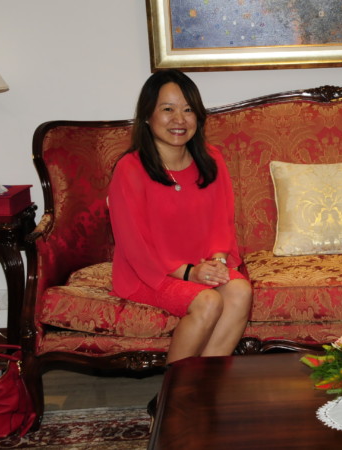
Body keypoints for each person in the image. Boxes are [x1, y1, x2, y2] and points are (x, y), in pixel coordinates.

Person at [108, 70, 253, 418]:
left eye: (188, 110)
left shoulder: (211, 159)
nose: (179, 120)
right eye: (168, 109)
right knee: (206, 302)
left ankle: (202, 387)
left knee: (240, 291)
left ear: (198, 117)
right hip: (148, 273)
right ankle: (171, 401)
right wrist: (189, 272)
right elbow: (134, 244)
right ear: (148, 115)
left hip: (201, 265)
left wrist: (217, 261)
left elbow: (223, 222)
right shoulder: (130, 168)